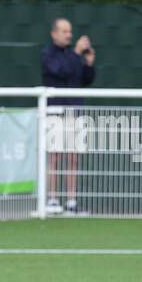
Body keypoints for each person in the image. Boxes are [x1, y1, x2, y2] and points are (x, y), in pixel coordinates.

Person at [40, 17, 97, 214]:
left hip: (74, 112)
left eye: (70, 31)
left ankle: (72, 201)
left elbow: (84, 80)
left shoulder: (74, 56)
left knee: (73, 157)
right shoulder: (48, 54)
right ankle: (53, 199)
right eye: (64, 31)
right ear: (54, 33)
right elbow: (60, 71)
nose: (69, 35)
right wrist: (76, 53)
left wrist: (89, 65)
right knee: (54, 155)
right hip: (55, 112)